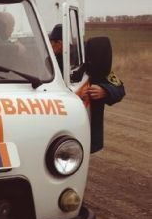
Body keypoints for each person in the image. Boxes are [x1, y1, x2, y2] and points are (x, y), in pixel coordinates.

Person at [48, 24, 125, 152]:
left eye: (51, 43)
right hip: (58, 121)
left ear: (60, 43)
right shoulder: (50, 62)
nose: (49, 47)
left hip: (84, 123)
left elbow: (119, 88)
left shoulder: (91, 60)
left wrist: (105, 91)